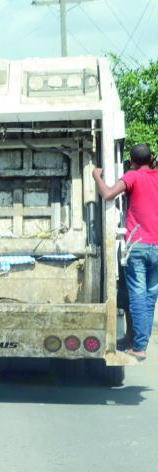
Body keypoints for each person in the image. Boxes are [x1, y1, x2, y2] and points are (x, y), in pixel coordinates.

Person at [93, 143, 158, 360]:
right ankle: (141, 344)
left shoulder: (133, 176)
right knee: (150, 297)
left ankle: (139, 347)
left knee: (138, 296)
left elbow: (109, 195)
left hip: (138, 245)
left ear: (132, 162)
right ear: (151, 159)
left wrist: (97, 177)